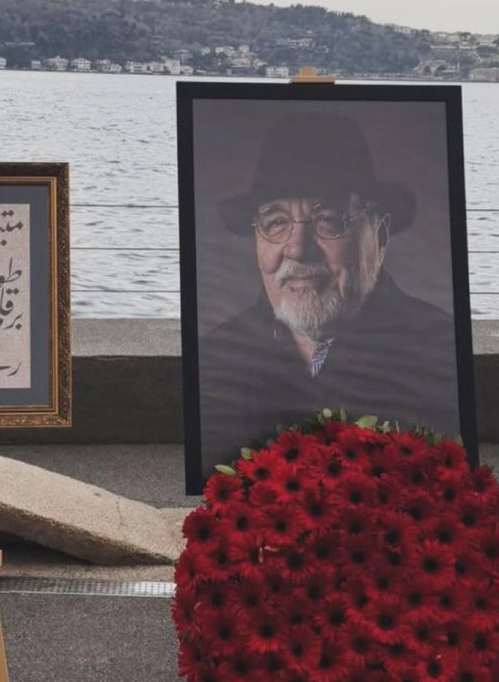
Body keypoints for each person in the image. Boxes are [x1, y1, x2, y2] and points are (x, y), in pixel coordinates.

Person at [198, 111, 461, 472]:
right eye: (276, 222)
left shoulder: (442, 352)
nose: (297, 248)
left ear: (380, 236)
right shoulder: (216, 357)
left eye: (329, 220)